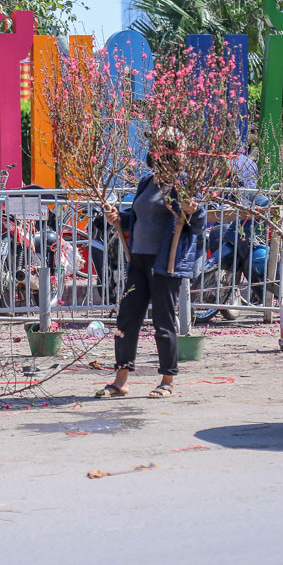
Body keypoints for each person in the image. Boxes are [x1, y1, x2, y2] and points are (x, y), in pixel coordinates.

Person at [98, 157, 205, 398]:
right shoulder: (147, 182)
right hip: (138, 260)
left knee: (163, 321)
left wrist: (194, 211)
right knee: (126, 319)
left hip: (165, 264)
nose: (161, 158)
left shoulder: (185, 186)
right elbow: (139, 217)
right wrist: (120, 219)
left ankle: (167, 380)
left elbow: (197, 225)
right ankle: (121, 380)